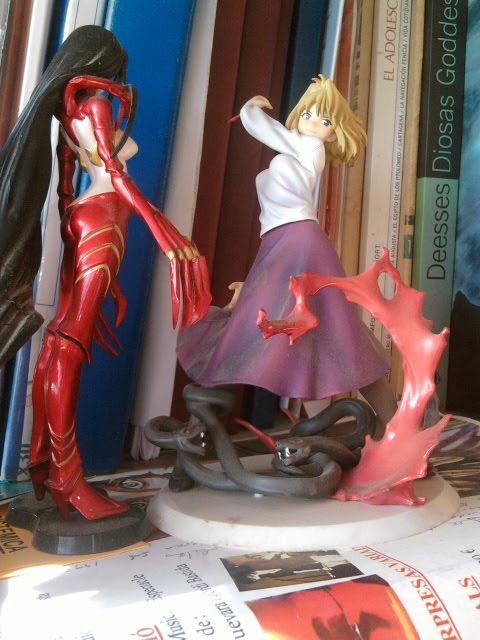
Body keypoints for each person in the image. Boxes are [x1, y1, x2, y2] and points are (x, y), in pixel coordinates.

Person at [0, 26, 210, 520]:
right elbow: (114, 170)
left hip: (84, 215)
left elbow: (67, 180)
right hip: (104, 215)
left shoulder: (67, 105)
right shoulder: (95, 102)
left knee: (62, 338)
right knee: (71, 342)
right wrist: (165, 232)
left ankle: (45, 462)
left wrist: (72, 229)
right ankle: (67, 478)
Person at [177, 75, 397, 428]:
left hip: (299, 240)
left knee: (332, 332)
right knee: (295, 331)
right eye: (307, 114)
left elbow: (269, 131)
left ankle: (396, 426)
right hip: (281, 241)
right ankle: (202, 428)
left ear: (334, 133)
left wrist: (249, 109)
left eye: (324, 120)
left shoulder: (310, 148)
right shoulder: (296, 152)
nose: (312, 123)